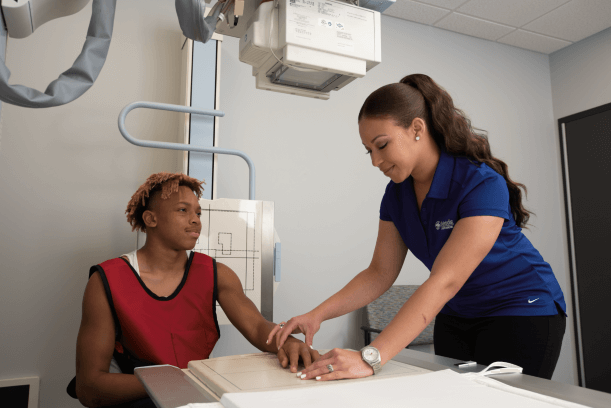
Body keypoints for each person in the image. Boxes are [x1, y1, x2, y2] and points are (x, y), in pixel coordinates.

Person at [269, 74, 567, 382]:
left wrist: (370, 357)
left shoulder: (479, 182)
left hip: (521, 308)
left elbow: (445, 280)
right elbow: (379, 273)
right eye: (368, 150)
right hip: (458, 313)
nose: (375, 161)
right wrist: (317, 314)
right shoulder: (397, 194)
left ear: (417, 129)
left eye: (382, 145)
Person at [72, 173, 318, 408]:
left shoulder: (217, 273)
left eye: (198, 212)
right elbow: (90, 388)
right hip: (142, 398)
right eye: (183, 210)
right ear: (151, 219)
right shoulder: (107, 280)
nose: (196, 220)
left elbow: (256, 327)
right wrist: (175, 380)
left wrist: (287, 342)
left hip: (196, 394)